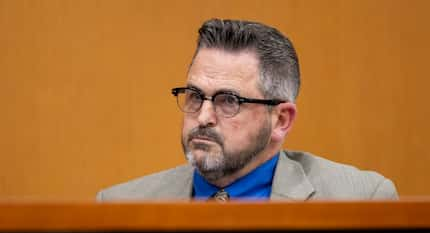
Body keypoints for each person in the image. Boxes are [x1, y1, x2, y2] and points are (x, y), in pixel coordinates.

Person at [98, 18, 397, 201]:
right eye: (194, 95)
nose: (203, 117)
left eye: (229, 101)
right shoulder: (118, 205)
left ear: (281, 119)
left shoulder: (360, 199)